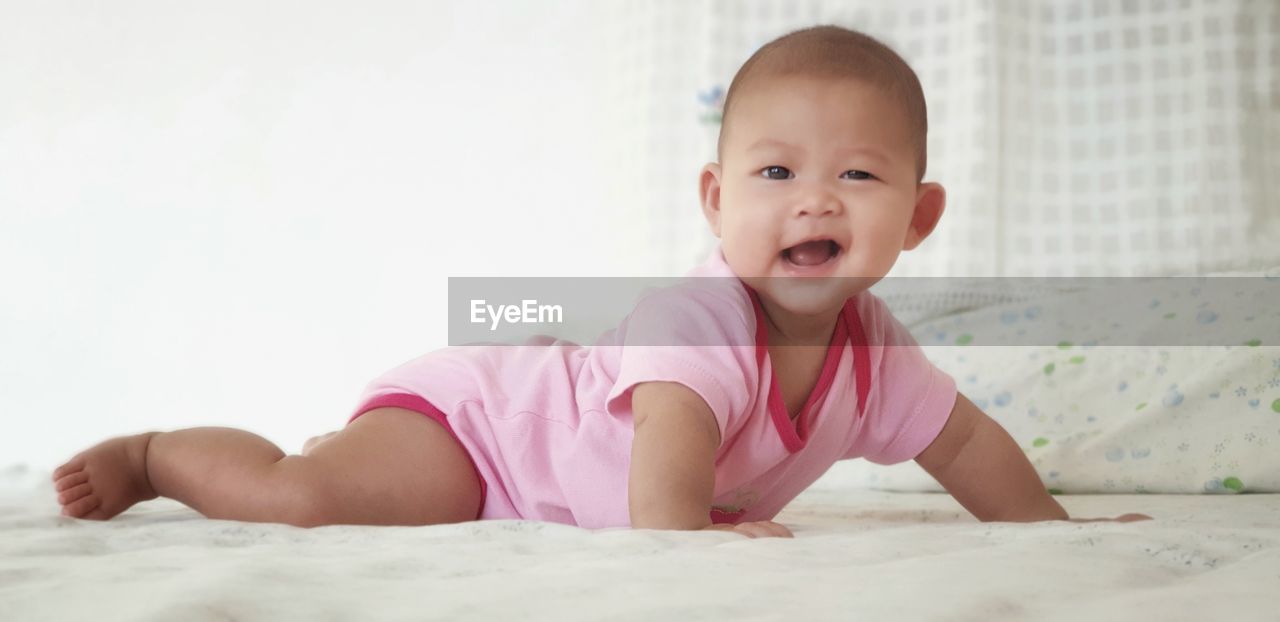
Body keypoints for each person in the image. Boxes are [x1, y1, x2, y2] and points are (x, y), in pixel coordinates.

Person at [52, 25, 1151, 537]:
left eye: (855, 176)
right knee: (304, 498)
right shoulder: (694, 321)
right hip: (486, 432)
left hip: (523, 472)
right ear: (716, 202)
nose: (812, 201)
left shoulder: (877, 354)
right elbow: (667, 479)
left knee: (358, 497)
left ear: (915, 217)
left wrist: (1043, 531)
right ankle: (157, 453)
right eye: (775, 173)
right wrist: (694, 545)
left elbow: (960, 443)